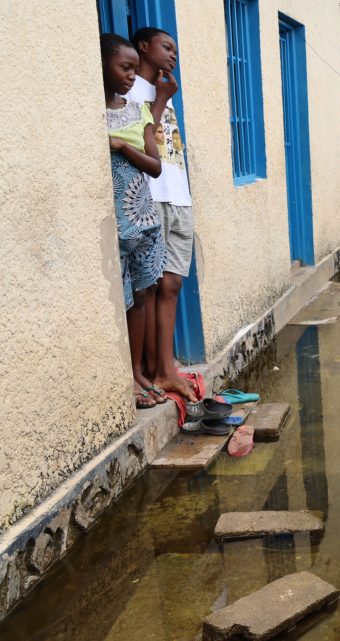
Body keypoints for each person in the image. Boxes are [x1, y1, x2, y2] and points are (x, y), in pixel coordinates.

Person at [128, 27, 199, 402]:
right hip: (151, 196)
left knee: (172, 283)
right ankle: (158, 368)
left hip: (177, 196)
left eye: (175, 48)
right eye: (166, 47)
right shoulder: (132, 88)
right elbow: (144, 138)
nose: (173, 54)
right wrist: (161, 98)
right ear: (144, 47)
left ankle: (166, 367)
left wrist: (165, 96)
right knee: (150, 285)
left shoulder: (164, 92)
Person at [101, 33, 166, 408]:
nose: (131, 75)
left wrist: (124, 146)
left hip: (144, 221)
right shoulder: (90, 113)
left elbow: (156, 166)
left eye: (132, 68)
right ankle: (127, 376)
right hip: (116, 228)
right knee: (123, 299)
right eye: (124, 68)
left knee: (142, 295)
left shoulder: (138, 111)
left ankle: (140, 371)